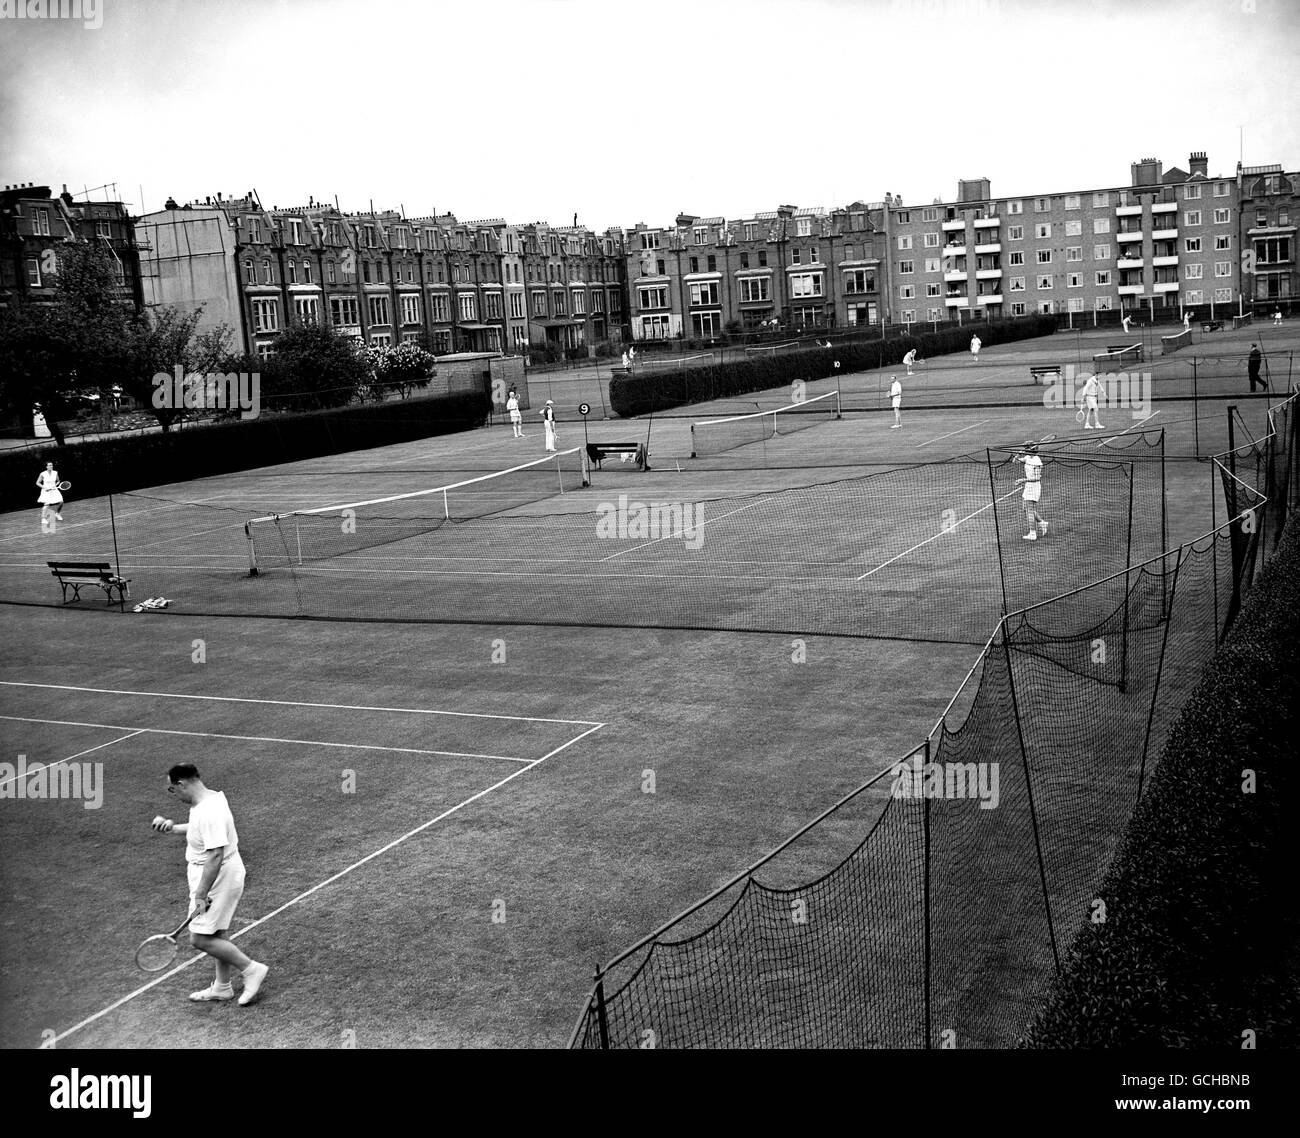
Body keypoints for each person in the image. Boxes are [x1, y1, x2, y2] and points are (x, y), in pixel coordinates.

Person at [150, 764, 269, 1006]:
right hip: (220, 872)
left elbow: (215, 854)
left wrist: (201, 895)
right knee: (216, 933)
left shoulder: (208, 811)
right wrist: (172, 827)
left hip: (217, 876)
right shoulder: (210, 799)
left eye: (172, 790)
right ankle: (222, 987)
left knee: (200, 939)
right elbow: (199, 830)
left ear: (182, 784)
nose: (174, 795)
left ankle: (251, 969)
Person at [1014, 441, 1048, 541]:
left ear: (1031, 449)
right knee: (1025, 508)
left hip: (1034, 487)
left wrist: (1022, 480)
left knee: (1029, 510)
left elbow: (1037, 478)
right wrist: (1018, 454)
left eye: (1026, 448)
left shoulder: (1037, 462)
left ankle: (1032, 534)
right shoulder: (1028, 457)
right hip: (1028, 486)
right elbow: (1014, 461)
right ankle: (1042, 523)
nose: (1025, 449)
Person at [36, 461, 64, 527]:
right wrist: (45, 487)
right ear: (46, 467)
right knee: (46, 504)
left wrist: (55, 485)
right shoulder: (42, 474)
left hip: (54, 490)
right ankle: (43, 519)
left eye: (52, 465)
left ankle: (57, 514)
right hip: (46, 491)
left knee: (61, 502)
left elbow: (58, 481)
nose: (51, 466)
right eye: (49, 465)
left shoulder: (55, 472)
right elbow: (37, 483)